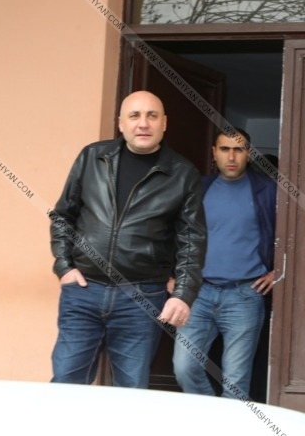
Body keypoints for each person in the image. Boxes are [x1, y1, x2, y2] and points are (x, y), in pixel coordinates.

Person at [49, 90, 207, 388]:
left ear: (164, 123)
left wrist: (183, 294)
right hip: (83, 291)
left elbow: (192, 240)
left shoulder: (182, 174)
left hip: (142, 297)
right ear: (121, 123)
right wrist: (64, 267)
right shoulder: (92, 157)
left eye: (152, 116)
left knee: (131, 389)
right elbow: (63, 216)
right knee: (67, 382)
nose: (143, 123)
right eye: (134, 116)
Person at [173, 128, 277, 398]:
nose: (231, 157)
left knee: (235, 381)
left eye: (239, 149)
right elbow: (174, 232)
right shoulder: (198, 188)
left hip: (244, 296)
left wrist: (277, 271)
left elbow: (292, 235)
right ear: (214, 153)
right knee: (184, 367)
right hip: (198, 293)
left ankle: (229, 419)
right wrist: (171, 274)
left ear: (249, 154)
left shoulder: (268, 191)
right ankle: (214, 416)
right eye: (225, 149)